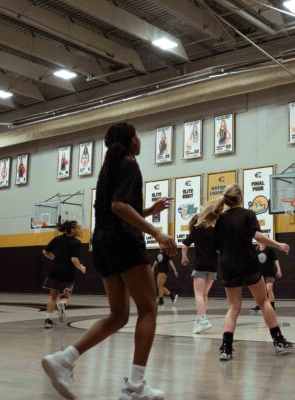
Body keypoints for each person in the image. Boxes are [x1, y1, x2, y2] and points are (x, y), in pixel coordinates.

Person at [41, 122, 177, 400]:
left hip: (103, 243)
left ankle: (64, 360)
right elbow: (120, 207)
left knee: (118, 315)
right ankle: (136, 385)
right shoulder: (130, 164)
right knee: (149, 309)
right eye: (137, 135)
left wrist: (150, 210)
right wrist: (157, 231)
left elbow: (118, 209)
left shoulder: (108, 170)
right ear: (130, 141)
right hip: (124, 242)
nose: (140, 140)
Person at [206, 184, 293, 361]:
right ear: (240, 197)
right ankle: (278, 341)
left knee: (233, 307)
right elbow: (258, 236)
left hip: (228, 265)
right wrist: (278, 245)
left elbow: (216, 247)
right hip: (248, 262)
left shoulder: (220, 219)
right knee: (263, 301)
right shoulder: (248, 214)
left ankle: (226, 348)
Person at [41, 221, 86, 329]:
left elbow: (45, 252)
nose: (81, 230)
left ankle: (48, 320)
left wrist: (55, 259)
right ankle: (62, 304)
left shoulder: (57, 239)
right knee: (65, 297)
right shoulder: (76, 242)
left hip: (54, 271)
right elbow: (74, 259)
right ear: (73, 230)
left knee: (52, 297)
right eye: (79, 228)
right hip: (68, 272)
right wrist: (82, 268)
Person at [182, 206, 218, 334]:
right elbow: (219, 249)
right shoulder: (215, 231)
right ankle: (199, 318)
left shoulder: (197, 230)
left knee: (198, 294)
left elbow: (185, 244)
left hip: (200, 266)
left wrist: (184, 256)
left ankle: (203, 320)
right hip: (213, 267)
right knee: (204, 294)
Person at [251, 243, 282, 313]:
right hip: (259, 273)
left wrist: (279, 269)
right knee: (260, 291)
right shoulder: (256, 250)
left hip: (269, 273)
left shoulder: (270, 250)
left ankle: (272, 306)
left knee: (269, 289)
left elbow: (275, 259)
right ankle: (260, 305)